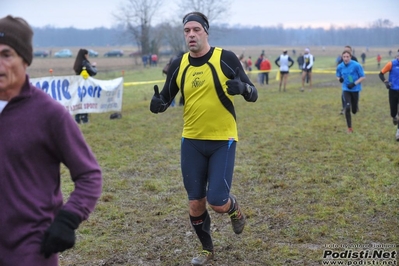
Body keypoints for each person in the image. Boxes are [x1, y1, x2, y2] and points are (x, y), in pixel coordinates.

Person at [149, 11, 258, 266]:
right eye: (187, 31)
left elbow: (253, 93)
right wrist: (158, 104)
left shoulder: (225, 59)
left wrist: (243, 88)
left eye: (196, 30)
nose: (191, 35)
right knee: (195, 203)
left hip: (223, 140)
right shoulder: (179, 64)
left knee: (217, 201)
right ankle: (207, 250)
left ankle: (235, 210)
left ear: (206, 31)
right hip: (192, 142)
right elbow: (166, 96)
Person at [0, 15, 102, 266]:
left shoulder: (49, 114)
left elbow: (89, 175)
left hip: (29, 249)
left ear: (25, 59)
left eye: (6, 54)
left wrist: (67, 219)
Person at [336, 50, 366, 133]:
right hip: (346, 89)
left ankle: (355, 106)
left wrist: (354, 83)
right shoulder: (340, 66)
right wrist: (340, 79)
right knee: (347, 107)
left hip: (355, 89)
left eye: (347, 57)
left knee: (354, 111)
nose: (345, 58)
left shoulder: (356, 65)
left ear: (350, 57)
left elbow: (363, 77)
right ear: (342, 57)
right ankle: (349, 128)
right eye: (344, 57)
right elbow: (338, 75)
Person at [378, 50, 399, 140]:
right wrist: (386, 82)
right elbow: (381, 74)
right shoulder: (391, 64)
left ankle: (398, 133)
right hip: (393, 91)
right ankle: (394, 117)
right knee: (393, 112)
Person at [73, 48, 97, 124]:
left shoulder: (77, 63)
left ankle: (77, 118)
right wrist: (93, 66)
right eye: (87, 54)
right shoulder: (85, 63)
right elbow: (93, 72)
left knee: (79, 101)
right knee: (85, 101)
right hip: (85, 86)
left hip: (78, 85)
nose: (88, 56)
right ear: (85, 55)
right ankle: (84, 118)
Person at [338, 46, 358, 115]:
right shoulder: (342, 59)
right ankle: (344, 108)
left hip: (352, 78)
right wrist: (340, 77)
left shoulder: (354, 59)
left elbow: (358, 69)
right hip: (345, 77)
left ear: (351, 52)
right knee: (344, 93)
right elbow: (339, 69)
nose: (346, 52)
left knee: (353, 92)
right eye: (345, 50)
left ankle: (355, 106)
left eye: (348, 51)